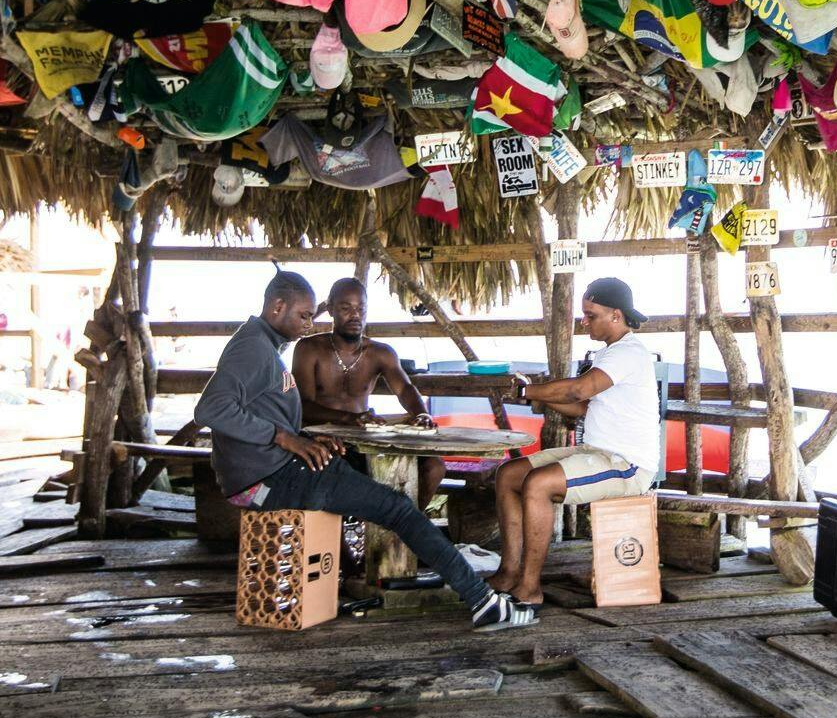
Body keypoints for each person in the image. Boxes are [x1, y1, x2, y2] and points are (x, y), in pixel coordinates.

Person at [196, 270, 523, 631]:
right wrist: (285, 438)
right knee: (398, 508)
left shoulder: (263, 344)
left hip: (279, 467)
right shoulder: (252, 348)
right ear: (277, 306)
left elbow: (260, 409)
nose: (309, 324)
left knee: (404, 492)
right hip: (268, 477)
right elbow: (211, 409)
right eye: (304, 315)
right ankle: (481, 601)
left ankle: (403, 578)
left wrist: (306, 439)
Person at [489, 277, 661, 617]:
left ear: (615, 315)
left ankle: (530, 588)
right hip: (597, 453)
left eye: (590, 315)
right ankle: (509, 572)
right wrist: (537, 397)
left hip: (629, 466)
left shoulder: (629, 352)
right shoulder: (608, 354)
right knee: (509, 474)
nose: (584, 322)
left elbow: (578, 391)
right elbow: (583, 408)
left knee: (538, 484)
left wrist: (530, 392)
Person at [293, 278, 447, 508]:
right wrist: (351, 419)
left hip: (366, 437)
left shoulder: (380, 353)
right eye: (346, 308)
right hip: (323, 436)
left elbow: (404, 388)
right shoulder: (309, 349)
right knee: (336, 467)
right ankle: (343, 537)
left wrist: (422, 414)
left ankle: (406, 527)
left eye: (361, 308)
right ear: (331, 309)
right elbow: (302, 405)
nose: (355, 315)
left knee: (434, 467)